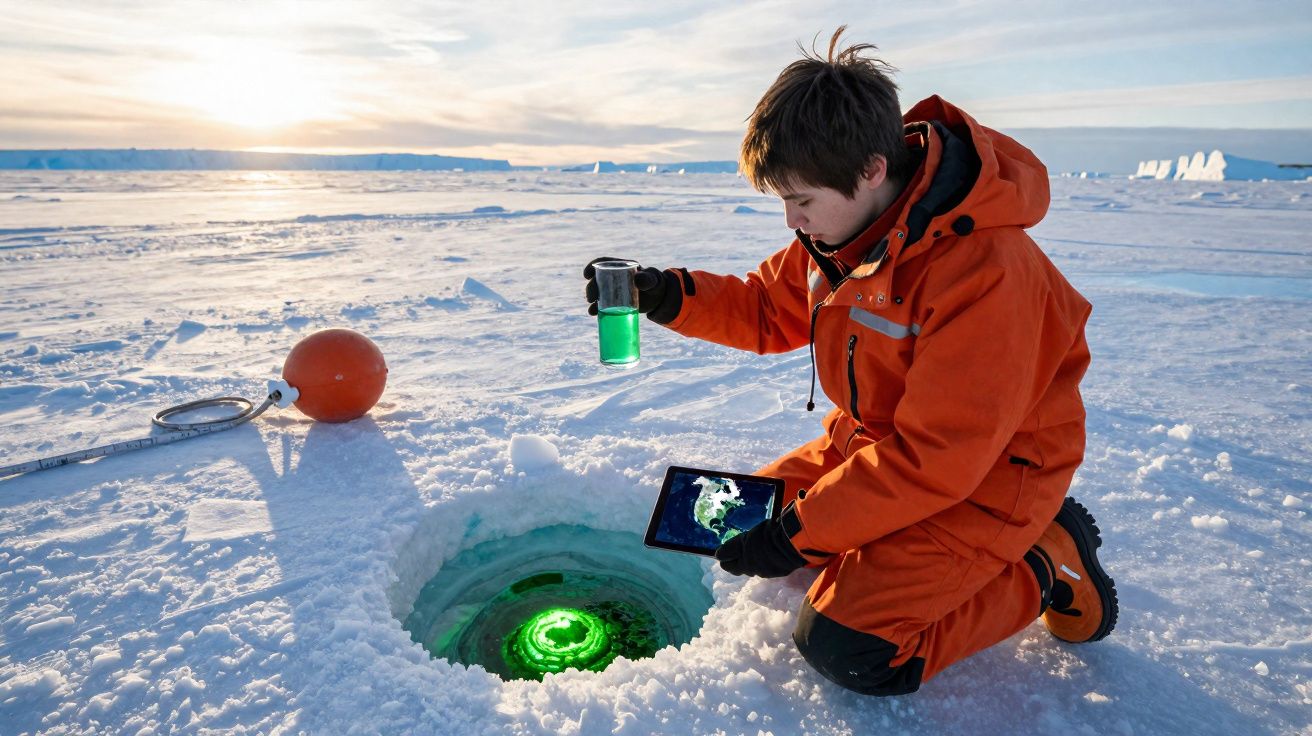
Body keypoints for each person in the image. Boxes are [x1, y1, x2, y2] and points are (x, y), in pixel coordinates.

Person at [583, 27, 1117, 696]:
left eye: (800, 201)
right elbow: (763, 309)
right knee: (726, 517)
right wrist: (666, 295)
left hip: (989, 480)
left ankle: (1043, 564)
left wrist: (800, 533)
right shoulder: (841, 235)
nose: (790, 223)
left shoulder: (988, 275)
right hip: (876, 449)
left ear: (870, 169)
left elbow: (938, 458)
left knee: (847, 645)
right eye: (783, 201)